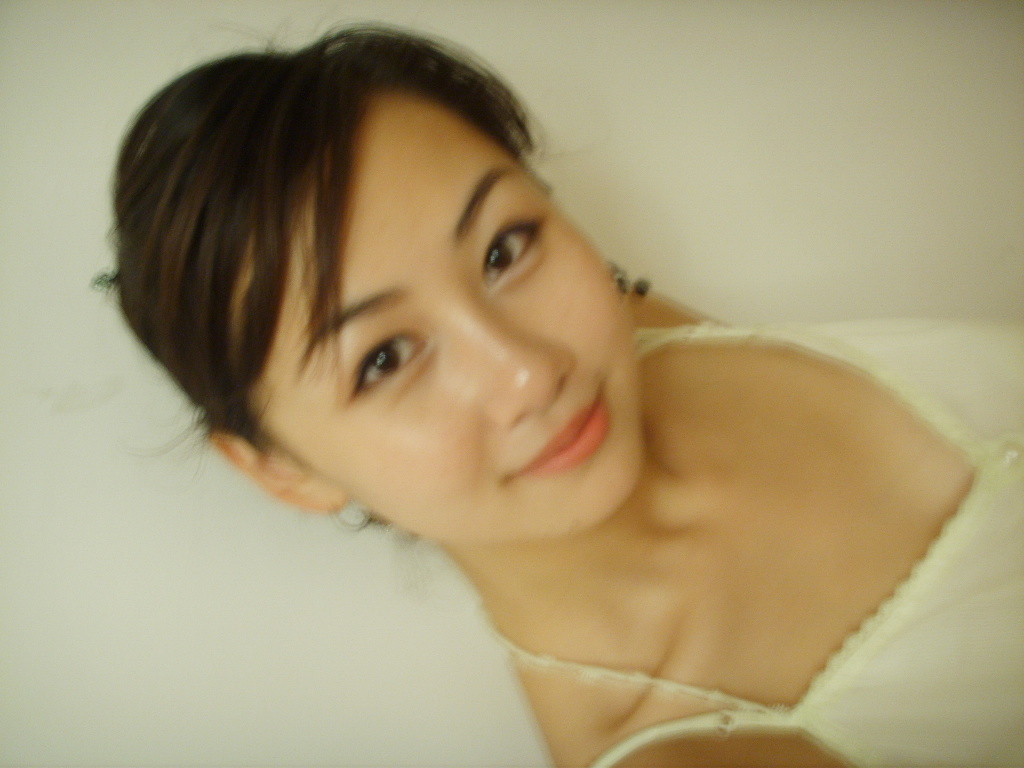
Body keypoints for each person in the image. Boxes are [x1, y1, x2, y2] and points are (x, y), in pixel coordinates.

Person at [107, 25, 1023, 768]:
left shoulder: (623, 318)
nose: (528, 371)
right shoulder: (686, 751)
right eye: (383, 359)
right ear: (282, 471)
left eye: (502, 248)